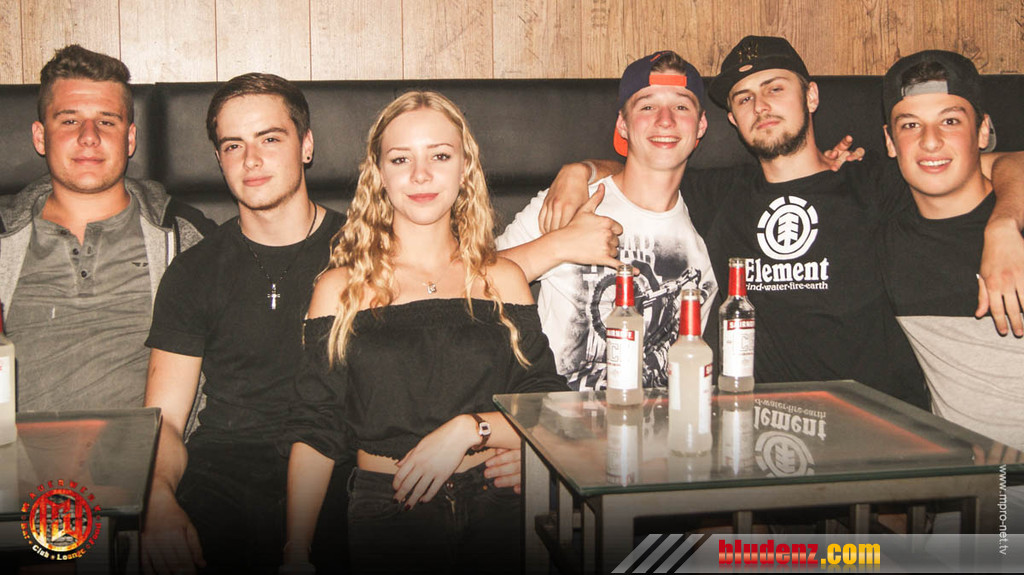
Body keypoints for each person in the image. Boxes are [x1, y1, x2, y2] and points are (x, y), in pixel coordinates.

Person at [539, 36, 1024, 410]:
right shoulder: (717, 195)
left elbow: (999, 163)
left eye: (775, 88)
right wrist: (580, 170)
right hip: (761, 436)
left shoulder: (875, 179)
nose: (761, 106)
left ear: (810, 96)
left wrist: (1003, 223)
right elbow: (649, 166)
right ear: (732, 119)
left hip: (879, 438)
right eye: (744, 98)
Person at [283, 91, 568, 574]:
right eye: (401, 159)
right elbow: (316, 425)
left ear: (465, 168)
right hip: (391, 511)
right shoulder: (340, 288)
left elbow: (547, 406)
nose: (420, 175)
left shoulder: (503, 278)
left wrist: (470, 430)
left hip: (499, 506)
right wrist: (295, 550)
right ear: (379, 174)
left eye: (439, 156)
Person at [140, 73, 346, 574]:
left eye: (269, 139)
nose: (250, 160)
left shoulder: (364, 250)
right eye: (233, 145)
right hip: (226, 466)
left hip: (341, 460)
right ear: (219, 158)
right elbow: (165, 420)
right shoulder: (194, 269)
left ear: (306, 146)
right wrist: (158, 496)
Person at [0, 45, 214, 411]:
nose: (89, 136)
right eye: (69, 121)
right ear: (39, 136)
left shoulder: (186, 237)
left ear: (130, 139)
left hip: (145, 446)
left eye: (106, 121)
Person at [496, 51, 718, 392]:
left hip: (665, 419)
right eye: (647, 106)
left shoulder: (713, 218)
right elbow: (472, 283)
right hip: (558, 415)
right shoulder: (573, 201)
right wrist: (559, 245)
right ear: (623, 125)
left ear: (700, 125)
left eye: (681, 106)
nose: (665, 120)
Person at [878, 50, 1024, 450]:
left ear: (982, 131)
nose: (930, 141)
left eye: (950, 121)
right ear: (890, 141)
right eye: (911, 125)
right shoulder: (882, 232)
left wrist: (1005, 223)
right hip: (974, 478)